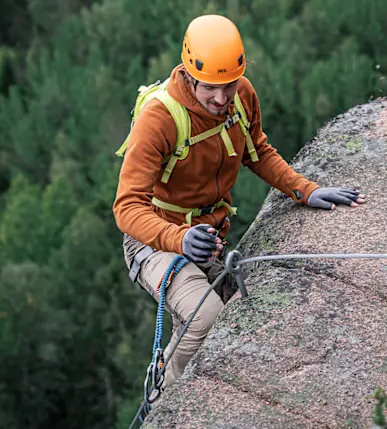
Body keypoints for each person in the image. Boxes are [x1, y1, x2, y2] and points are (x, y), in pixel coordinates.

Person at [112, 14, 366, 391]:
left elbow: (256, 151)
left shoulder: (242, 96)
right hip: (153, 241)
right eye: (210, 88)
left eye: (228, 85)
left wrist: (305, 190)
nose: (221, 98)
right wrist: (178, 239)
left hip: (206, 237)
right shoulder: (160, 119)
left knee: (232, 312)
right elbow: (127, 207)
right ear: (189, 75)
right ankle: (169, 391)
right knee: (206, 316)